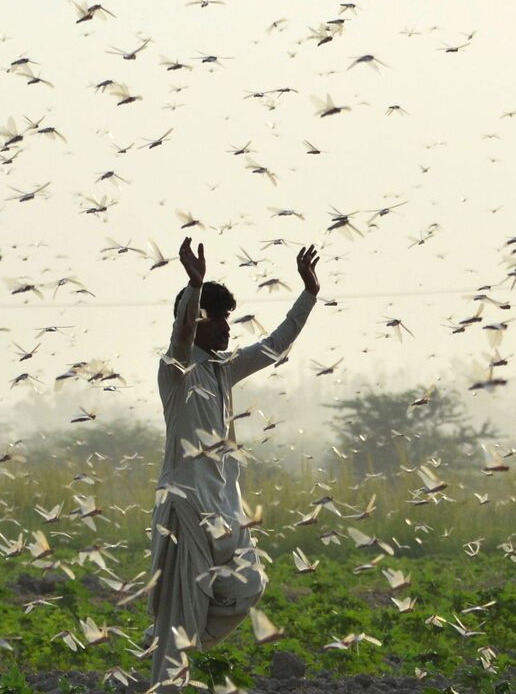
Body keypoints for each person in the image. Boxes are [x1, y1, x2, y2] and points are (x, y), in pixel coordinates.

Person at [142, 237, 320, 692]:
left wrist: (309, 293)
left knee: (248, 585)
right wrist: (194, 287)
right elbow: (182, 334)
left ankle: (170, 640)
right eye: (216, 318)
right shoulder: (176, 370)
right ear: (196, 321)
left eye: (226, 318)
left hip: (224, 511)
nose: (225, 327)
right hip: (186, 510)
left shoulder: (225, 368)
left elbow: (275, 345)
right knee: (181, 619)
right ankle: (169, 665)